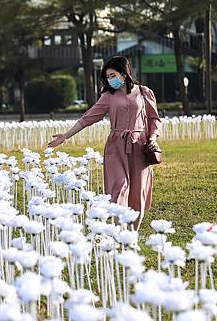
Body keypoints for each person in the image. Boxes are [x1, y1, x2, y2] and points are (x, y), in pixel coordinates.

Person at [47, 56, 162, 230]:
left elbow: (154, 119)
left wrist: (152, 138)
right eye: (108, 77)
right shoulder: (109, 96)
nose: (110, 80)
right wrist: (66, 135)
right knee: (119, 187)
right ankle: (119, 233)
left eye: (113, 75)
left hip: (140, 146)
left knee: (137, 193)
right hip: (116, 147)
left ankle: (132, 236)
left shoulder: (145, 92)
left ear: (125, 74)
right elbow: (88, 118)